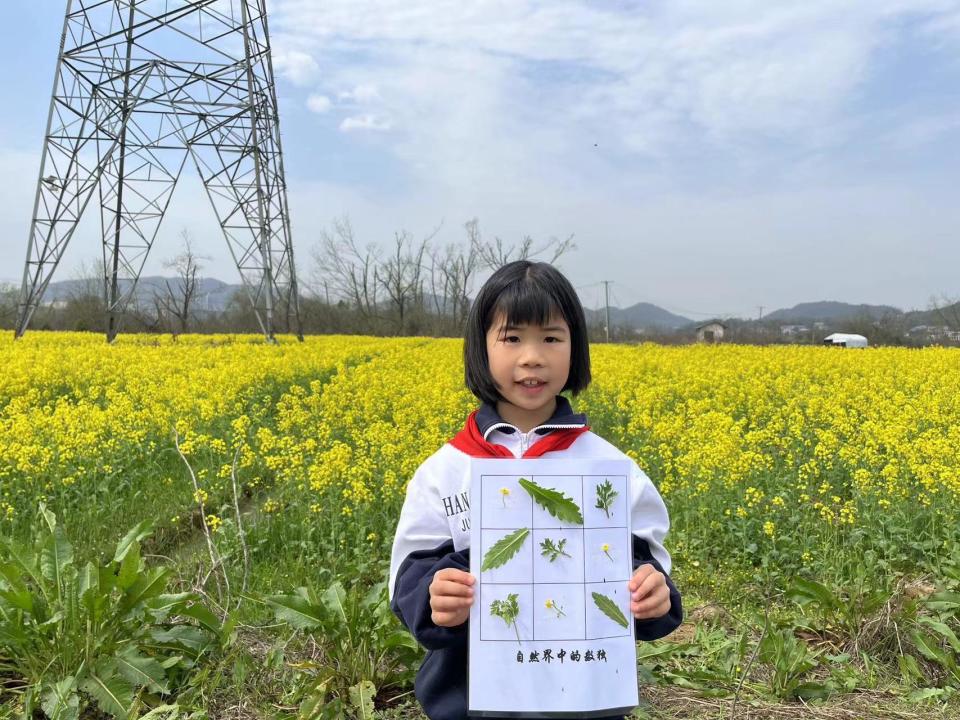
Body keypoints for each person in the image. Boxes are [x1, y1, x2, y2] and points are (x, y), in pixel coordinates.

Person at [389, 260, 682, 720]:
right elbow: (409, 573)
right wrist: (434, 595)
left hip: (585, 701)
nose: (532, 356)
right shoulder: (445, 471)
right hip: (468, 704)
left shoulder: (611, 468)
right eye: (511, 338)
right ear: (480, 349)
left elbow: (646, 563)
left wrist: (653, 595)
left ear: (575, 349)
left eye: (551, 337)